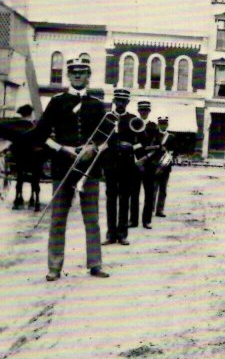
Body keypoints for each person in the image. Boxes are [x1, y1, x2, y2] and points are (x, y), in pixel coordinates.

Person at [27, 57, 110, 281]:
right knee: (58, 219)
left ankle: (95, 264)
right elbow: (40, 135)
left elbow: (108, 138)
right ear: (68, 75)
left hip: (89, 170)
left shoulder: (96, 104)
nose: (77, 76)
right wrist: (62, 148)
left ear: (88, 75)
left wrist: (94, 148)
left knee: (91, 219)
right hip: (62, 168)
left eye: (81, 72)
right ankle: (54, 267)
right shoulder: (57, 102)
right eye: (73, 72)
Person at [101, 89, 137, 246]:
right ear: (114, 101)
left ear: (128, 102)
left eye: (124, 101)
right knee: (110, 199)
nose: (121, 103)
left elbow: (141, 142)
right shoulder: (107, 118)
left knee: (124, 199)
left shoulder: (133, 119)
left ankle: (122, 234)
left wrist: (130, 146)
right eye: (118, 100)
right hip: (110, 164)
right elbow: (101, 141)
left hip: (127, 164)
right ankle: (110, 234)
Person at [129, 100, 157, 229]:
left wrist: (145, 158)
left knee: (149, 193)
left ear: (149, 111)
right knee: (134, 193)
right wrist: (137, 160)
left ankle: (147, 221)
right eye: (141, 110)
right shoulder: (133, 124)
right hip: (135, 163)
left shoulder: (153, 126)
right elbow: (131, 144)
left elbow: (157, 147)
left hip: (149, 164)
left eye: (146, 110)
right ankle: (133, 220)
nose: (143, 112)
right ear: (138, 111)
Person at [10, 104, 41, 211]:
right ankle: (35, 200)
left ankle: (18, 199)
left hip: (20, 158)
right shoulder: (36, 125)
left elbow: (12, 144)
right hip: (34, 158)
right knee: (35, 177)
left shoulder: (15, 126)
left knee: (20, 177)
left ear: (21, 114)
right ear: (31, 113)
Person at [152, 116, 177, 219]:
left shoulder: (171, 137)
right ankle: (151, 208)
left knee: (163, 189)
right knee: (153, 189)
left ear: (167, 124)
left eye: (164, 123)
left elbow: (175, 151)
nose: (162, 125)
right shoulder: (154, 135)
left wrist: (170, 155)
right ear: (158, 124)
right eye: (161, 123)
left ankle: (160, 210)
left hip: (165, 167)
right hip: (154, 165)